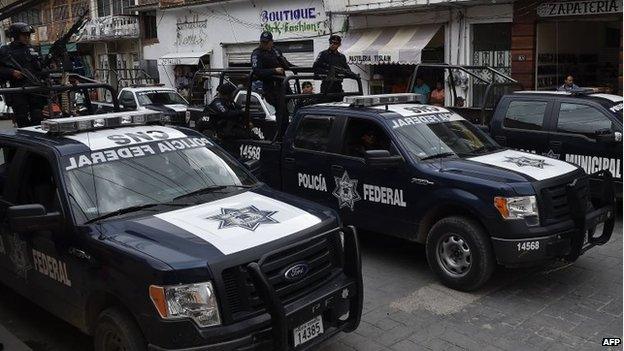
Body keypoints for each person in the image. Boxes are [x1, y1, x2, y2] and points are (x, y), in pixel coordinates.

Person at [0, 22, 45, 127]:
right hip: (18, 90)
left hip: (35, 88)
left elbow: (41, 67)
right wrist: (12, 72)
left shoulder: (33, 49)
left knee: (38, 117)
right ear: (15, 36)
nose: (27, 37)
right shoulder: (5, 50)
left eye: (28, 35)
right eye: (24, 35)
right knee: (22, 119)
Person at [251, 31, 293, 108]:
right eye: (263, 42)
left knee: (287, 109)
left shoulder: (276, 50)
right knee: (280, 110)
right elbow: (257, 71)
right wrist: (274, 70)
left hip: (283, 85)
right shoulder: (257, 53)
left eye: (267, 42)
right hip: (271, 88)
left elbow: (285, 63)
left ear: (271, 42)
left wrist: (296, 68)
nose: (264, 44)